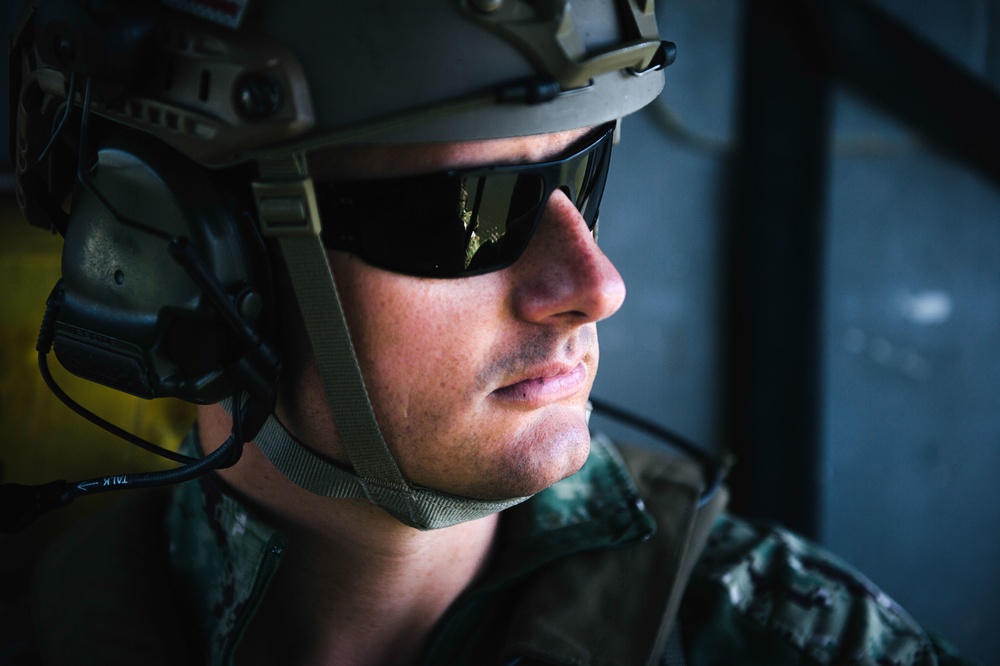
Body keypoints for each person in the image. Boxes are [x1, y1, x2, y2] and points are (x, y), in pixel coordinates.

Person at [0, 1, 976, 664]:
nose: (594, 286)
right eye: (470, 210)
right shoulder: (45, 623)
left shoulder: (784, 640)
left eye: (582, 174)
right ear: (194, 260)